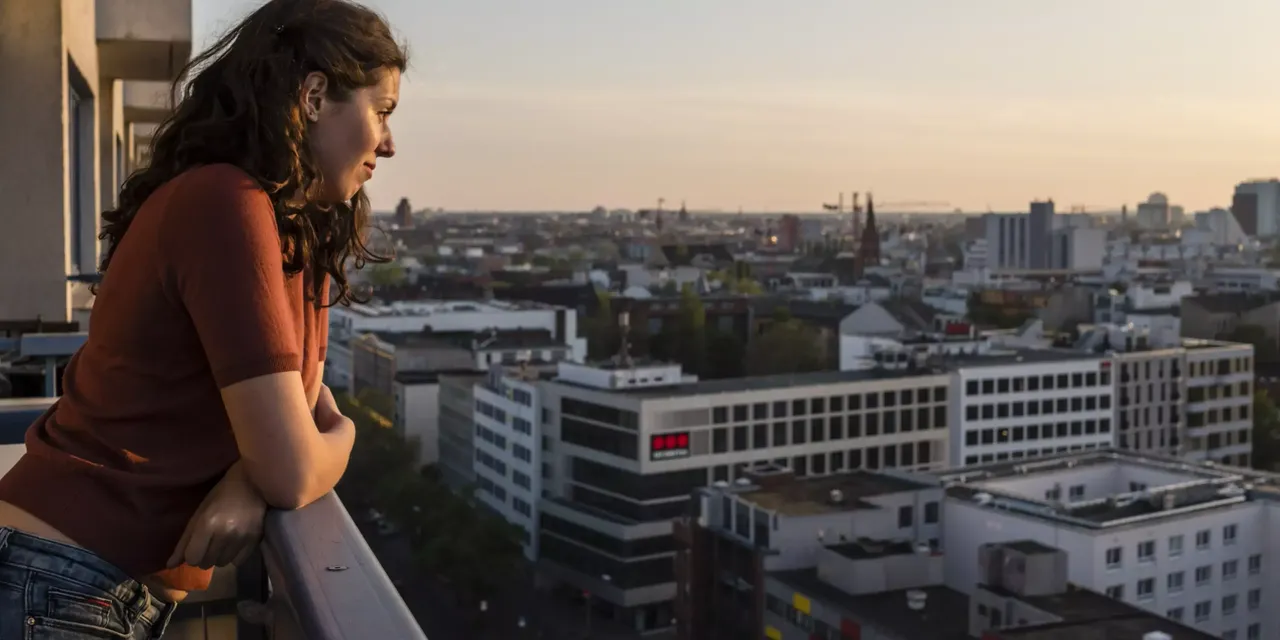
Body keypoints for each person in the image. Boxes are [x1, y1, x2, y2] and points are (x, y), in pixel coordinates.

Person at [0, 0, 405, 636]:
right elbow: (297, 462)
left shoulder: (291, 236)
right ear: (316, 95)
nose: (388, 142)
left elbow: (296, 412)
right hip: (59, 578)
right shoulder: (223, 204)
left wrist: (251, 476)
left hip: (90, 588)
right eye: (381, 112)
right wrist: (342, 437)